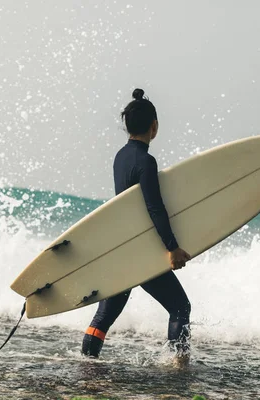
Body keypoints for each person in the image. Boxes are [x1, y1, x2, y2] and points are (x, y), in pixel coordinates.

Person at [81, 88, 193, 365]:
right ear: (154, 127)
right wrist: (172, 247)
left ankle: (87, 364)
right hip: (141, 251)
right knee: (180, 306)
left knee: (105, 316)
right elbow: (153, 207)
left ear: (126, 125)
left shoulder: (121, 156)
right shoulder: (146, 161)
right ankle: (179, 365)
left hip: (122, 248)